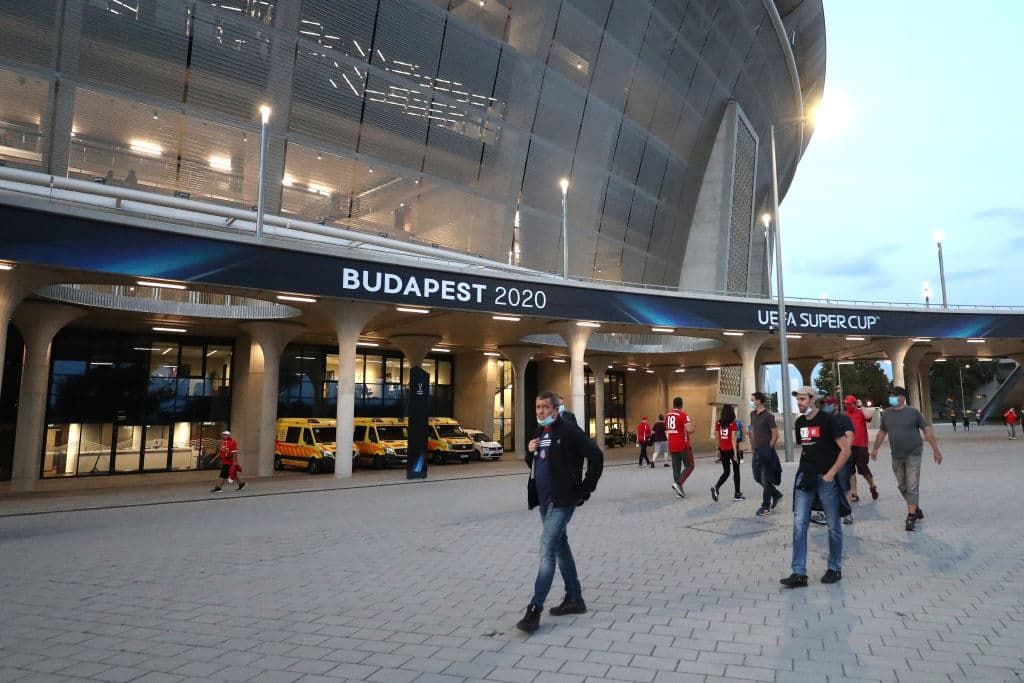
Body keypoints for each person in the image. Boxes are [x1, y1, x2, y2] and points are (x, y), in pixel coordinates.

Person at [517, 391, 603, 633]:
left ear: (555, 409)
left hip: (562, 501)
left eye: (545, 407)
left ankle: (534, 609)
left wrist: (585, 490)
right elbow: (534, 463)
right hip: (544, 502)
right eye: (537, 407)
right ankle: (574, 598)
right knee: (560, 547)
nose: (540, 411)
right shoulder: (539, 432)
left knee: (547, 551)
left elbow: (596, 456)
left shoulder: (568, 430)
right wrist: (529, 450)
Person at [780, 386, 851, 588]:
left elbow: (845, 450)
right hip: (805, 479)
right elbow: (806, 449)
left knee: (833, 525)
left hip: (826, 480)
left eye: (803, 399)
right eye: (798, 399)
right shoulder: (800, 422)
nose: (799, 403)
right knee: (799, 525)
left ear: (812, 399)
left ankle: (834, 568)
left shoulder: (829, 421)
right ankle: (799, 573)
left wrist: (830, 474)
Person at [870, 386, 943, 531]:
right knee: (902, 486)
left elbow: (926, 430)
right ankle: (916, 509)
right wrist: (875, 449)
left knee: (912, 485)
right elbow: (882, 432)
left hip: (913, 453)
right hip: (896, 454)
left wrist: (936, 450)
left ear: (902, 397)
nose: (891, 397)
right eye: (890, 395)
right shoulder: (887, 414)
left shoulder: (913, 412)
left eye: (894, 395)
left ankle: (910, 517)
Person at [749, 391, 783, 516]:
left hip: (766, 451)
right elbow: (752, 431)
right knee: (757, 477)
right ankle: (776, 494)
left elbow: (775, 434)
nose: (751, 402)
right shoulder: (752, 414)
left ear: (758, 401)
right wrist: (752, 446)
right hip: (756, 450)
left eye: (752, 399)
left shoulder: (768, 416)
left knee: (766, 478)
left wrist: (769, 449)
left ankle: (765, 506)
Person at [843, 394, 879, 503]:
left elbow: (868, 417)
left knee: (862, 468)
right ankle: (854, 493)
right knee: (850, 470)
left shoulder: (861, 413)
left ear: (855, 404)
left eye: (849, 404)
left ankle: (872, 485)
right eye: (846, 404)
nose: (847, 406)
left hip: (861, 446)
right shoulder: (844, 415)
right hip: (849, 445)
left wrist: (861, 406)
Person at [712, 405, 743, 501]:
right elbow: (733, 440)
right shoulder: (733, 423)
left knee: (726, 472)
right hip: (731, 449)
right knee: (736, 471)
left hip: (722, 449)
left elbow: (717, 437)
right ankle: (737, 494)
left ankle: (716, 487)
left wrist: (717, 449)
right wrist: (735, 454)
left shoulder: (718, 423)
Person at [666, 396, 695, 498]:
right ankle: (678, 484)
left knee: (676, 467)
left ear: (673, 404)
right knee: (690, 465)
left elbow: (668, 430)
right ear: (681, 405)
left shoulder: (667, 416)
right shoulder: (683, 415)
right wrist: (693, 428)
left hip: (672, 444)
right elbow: (689, 429)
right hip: (682, 444)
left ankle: (679, 491)